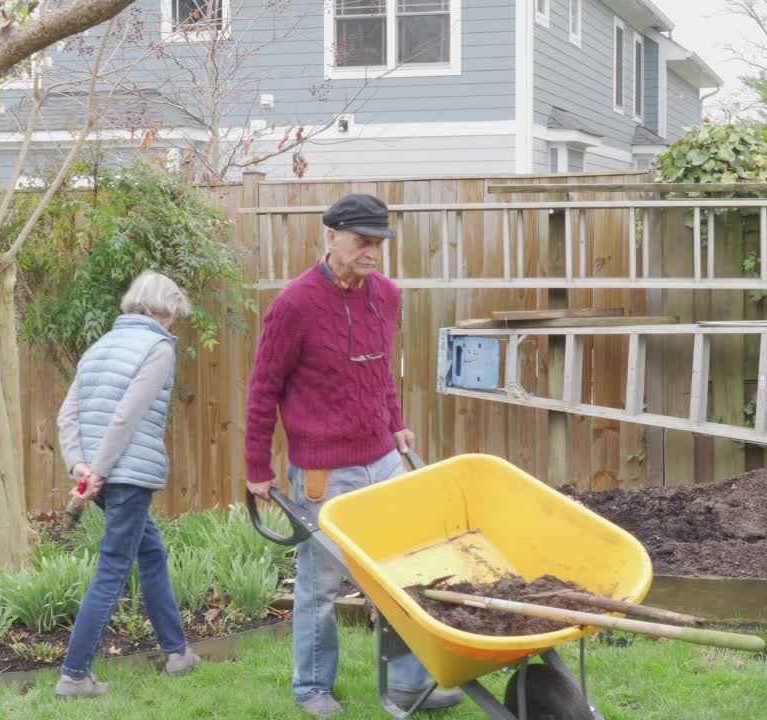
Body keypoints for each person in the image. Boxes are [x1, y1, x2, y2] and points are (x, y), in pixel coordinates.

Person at [244, 193, 462, 718]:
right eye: (362, 241)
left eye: (379, 242)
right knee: (320, 586)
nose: (373, 253)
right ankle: (312, 688)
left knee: (402, 574)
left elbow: (380, 368)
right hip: (323, 471)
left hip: (383, 458)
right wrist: (258, 468)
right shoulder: (294, 304)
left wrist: (397, 423)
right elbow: (262, 389)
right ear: (331, 236)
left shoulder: (386, 295)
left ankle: (410, 684)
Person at [54, 270, 201, 699]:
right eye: (175, 314)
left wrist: (79, 466)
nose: (174, 322)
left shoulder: (99, 346)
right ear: (166, 309)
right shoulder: (157, 348)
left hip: (103, 474)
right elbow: (127, 415)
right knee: (114, 569)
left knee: (151, 552)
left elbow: (67, 416)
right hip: (126, 475)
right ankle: (75, 676)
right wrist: (96, 471)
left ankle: (177, 653)